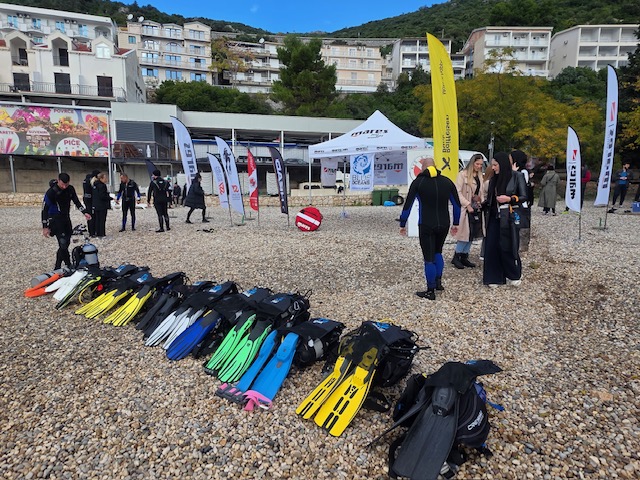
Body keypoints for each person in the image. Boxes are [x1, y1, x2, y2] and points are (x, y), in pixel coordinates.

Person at [399, 157, 461, 300]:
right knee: (438, 251)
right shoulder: (447, 181)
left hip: (426, 223)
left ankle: (430, 290)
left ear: (423, 167)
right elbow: (457, 205)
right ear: (435, 166)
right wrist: (456, 223)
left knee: (429, 257)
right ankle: (438, 283)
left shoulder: (418, 182)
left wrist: (402, 223)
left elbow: (407, 206)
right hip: (444, 223)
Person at [482, 152, 528, 287]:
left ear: (502, 164)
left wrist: (510, 199)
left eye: (495, 165)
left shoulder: (517, 176)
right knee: (491, 246)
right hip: (493, 217)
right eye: (492, 165)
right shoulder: (493, 179)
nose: (493, 168)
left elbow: (524, 196)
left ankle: (513, 273)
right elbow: (490, 199)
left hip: (509, 217)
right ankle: (493, 277)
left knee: (507, 245)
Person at [41, 172, 91, 270]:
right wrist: (45, 227)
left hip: (66, 219)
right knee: (63, 243)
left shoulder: (70, 189)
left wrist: (84, 212)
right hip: (55, 219)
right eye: (62, 184)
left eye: (66, 184)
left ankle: (58, 266)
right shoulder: (51, 192)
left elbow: (76, 202)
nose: (64, 187)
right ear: (58, 181)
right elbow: (44, 210)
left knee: (66, 243)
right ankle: (68, 264)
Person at [452, 153, 484, 269]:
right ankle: (457, 256)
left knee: (472, 232)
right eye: (477, 164)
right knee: (464, 233)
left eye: (481, 164)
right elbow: (457, 192)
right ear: (472, 163)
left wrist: (481, 201)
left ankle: (464, 255)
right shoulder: (462, 175)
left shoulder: (480, 176)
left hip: (476, 206)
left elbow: (481, 192)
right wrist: (467, 204)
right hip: (465, 207)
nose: (479, 166)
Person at [510, 150, 532, 252]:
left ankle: (520, 246)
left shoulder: (523, 172)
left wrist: (514, 173)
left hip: (520, 203)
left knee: (520, 225)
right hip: (514, 203)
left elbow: (520, 187)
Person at [91, 172, 111, 237]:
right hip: (102, 205)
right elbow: (102, 196)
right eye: (105, 178)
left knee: (97, 219)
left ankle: (97, 233)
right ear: (101, 178)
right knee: (102, 220)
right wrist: (110, 198)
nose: (106, 179)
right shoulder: (102, 186)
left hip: (96, 205)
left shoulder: (94, 185)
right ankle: (102, 233)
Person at [82, 169, 99, 236]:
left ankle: (91, 231)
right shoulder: (91, 181)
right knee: (92, 216)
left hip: (86, 199)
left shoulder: (85, 180)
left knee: (89, 215)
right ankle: (93, 232)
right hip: (90, 200)